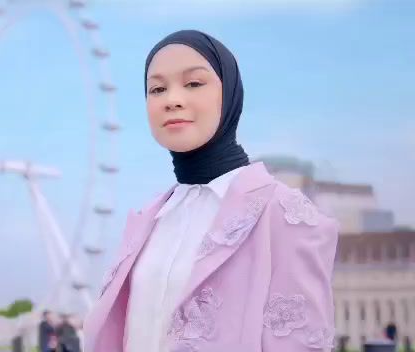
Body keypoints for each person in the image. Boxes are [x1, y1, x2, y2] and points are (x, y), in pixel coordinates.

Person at [83, 30, 339, 352]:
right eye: (157, 88)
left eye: (194, 83)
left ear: (230, 95)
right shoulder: (148, 220)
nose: (172, 99)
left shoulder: (287, 217)